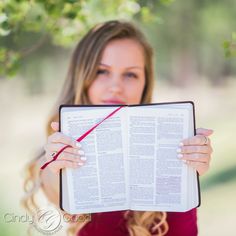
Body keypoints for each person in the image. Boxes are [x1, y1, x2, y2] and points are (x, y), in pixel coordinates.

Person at [23, 20, 213, 236]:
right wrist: (58, 167)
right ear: (82, 77)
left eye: (130, 74)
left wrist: (191, 171)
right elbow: (54, 185)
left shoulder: (170, 144)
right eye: (101, 71)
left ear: (145, 83)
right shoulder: (60, 151)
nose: (115, 86)